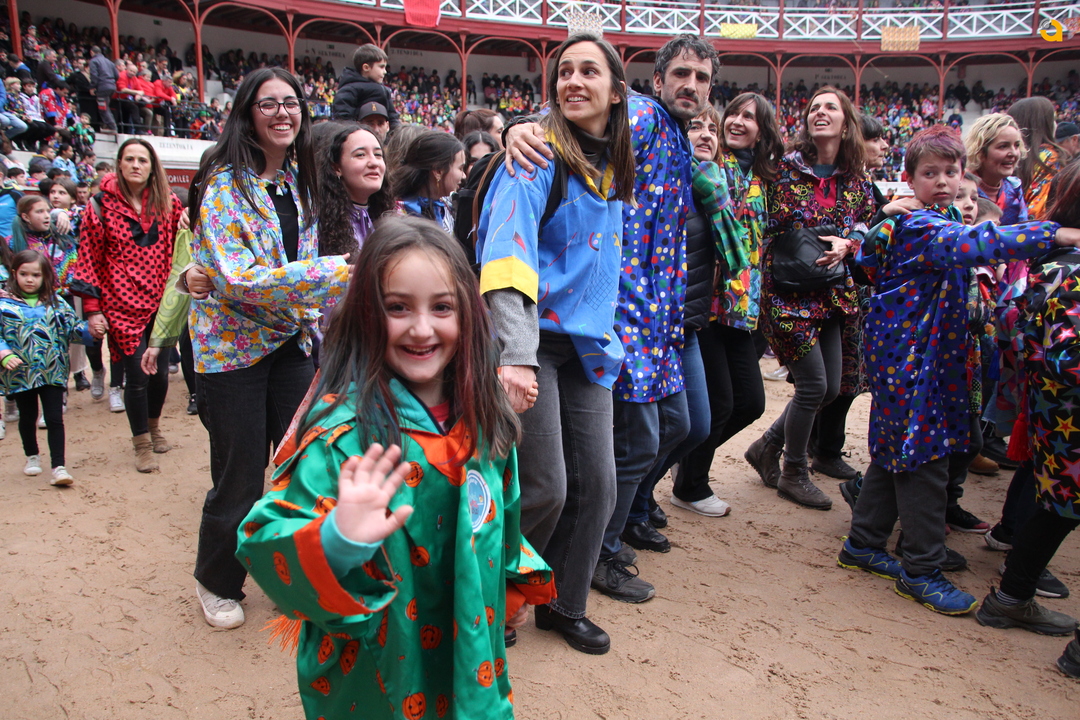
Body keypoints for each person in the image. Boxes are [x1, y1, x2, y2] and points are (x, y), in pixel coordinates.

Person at [236, 216, 555, 720]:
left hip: (470, 650)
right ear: (365, 313)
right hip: (378, 670)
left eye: (442, 307)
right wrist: (337, 537)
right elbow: (263, 537)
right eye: (397, 307)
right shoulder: (343, 436)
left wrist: (508, 583)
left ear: (467, 314)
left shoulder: (485, 420)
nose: (421, 328)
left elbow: (504, 511)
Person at [839, 125, 1080, 615]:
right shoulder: (920, 226)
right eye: (930, 173)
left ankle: (863, 543)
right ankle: (921, 569)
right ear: (909, 179)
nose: (943, 181)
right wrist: (1054, 233)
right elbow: (977, 242)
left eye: (951, 172)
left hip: (919, 361)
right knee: (924, 462)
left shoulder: (929, 217)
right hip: (912, 365)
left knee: (895, 451)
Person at [476, 31, 635, 654]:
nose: (573, 80)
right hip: (533, 342)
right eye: (565, 71)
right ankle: (496, 601)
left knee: (600, 486)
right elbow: (506, 259)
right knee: (545, 488)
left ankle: (563, 606)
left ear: (616, 92)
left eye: (589, 71)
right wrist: (515, 356)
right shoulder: (534, 158)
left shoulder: (616, 165)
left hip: (589, 348)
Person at [187, 67, 351, 629]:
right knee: (239, 474)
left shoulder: (299, 182)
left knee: (303, 464)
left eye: (291, 102)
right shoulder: (224, 188)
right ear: (247, 115)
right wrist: (333, 272)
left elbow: (288, 265)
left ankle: (291, 575)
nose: (283, 113)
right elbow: (238, 279)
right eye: (268, 104)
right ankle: (217, 581)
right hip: (231, 350)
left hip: (288, 340)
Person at [745, 86, 876, 510]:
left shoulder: (857, 179)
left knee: (831, 388)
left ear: (846, 123)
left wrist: (849, 243)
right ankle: (794, 471)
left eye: (830, 107)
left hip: (832, 295)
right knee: (814, 385)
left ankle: (767, 444)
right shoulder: (781, 168)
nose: (820, 112)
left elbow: (865, 224)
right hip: (785, 292)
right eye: (814, 107)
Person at [974, 158, 1080, 641]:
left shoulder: (1054, 263)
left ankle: (1013, 596)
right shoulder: (1069, 268)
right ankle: (1012, 597)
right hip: (1066, 415)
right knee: (1058, 506)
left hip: (1051, 412)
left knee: (1057, 506)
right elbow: (1064, 356)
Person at [672, 94, 781, 515]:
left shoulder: (764, 178)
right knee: (719, 403)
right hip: (713, 305)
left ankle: (686, 463)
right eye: (732, 114)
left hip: (745, 307)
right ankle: (691, 483)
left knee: (750, 403)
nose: (736, 122)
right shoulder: (714, 168)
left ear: (763, 130)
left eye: (747, 117)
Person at [71, 138, 183, 472]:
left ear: (152, 167)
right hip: (120, 305)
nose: (136, 165)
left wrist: (190, 220)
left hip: (162, 303)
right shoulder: (99, 205)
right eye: (130, 159)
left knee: (160, 375)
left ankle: (153, 426)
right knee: (137, 375)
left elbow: (184, 243)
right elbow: (88, 258)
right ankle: (141, 444)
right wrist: (93, 310)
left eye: (142, 160)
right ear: (119, 164)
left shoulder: (169, 202)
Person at [0, 249, 104, 486]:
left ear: (45, 276)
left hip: (53, 370)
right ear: (14, 274)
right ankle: (32, 456)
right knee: (28, 417)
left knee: (55, 418)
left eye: (35, 275)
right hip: (21, 374)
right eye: (24, 274)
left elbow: (73, 329)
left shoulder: (56, 304)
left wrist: (92, 332)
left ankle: (59, 466)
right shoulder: (5, 305)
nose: (29, 279)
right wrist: (4, 355)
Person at [317, 122, 393, 257]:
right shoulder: (317, 225)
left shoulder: (388, 218)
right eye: (360, 155)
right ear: (336, 168)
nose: (374, 163)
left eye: (378, 154)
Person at [391, 130, 465, 233]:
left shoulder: (447, 206)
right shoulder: (399, 214)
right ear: (438, 171)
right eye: (460, 168)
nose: (464, 176)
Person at [1008, 96, 1067, 220]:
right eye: (1052, 119)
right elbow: (1040, 213)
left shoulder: (1008, 154)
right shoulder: (1051, 158)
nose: (1056, 124)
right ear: (1045, 124)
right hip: (1037, 228)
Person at [331, 44, 399, 130]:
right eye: (381, 67)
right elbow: (343, 119)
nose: (385, 71)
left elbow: (392, 117)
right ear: (366, 67)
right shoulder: (349, 90)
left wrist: (397, 134)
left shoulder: (385, 90)